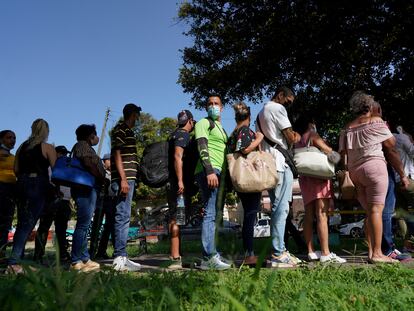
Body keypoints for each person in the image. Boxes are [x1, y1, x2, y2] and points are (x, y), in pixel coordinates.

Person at [338, 91, 409, 264]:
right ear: (369, 106)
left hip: (355, 172)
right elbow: (391, 145)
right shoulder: (376, 122)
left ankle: (371, 252)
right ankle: (378, 253)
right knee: (376, 211)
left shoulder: (347, 127)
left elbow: (342, 153)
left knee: (370, 213)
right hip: (374, 168)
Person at [256, 86, 302, 267]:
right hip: (280, 164)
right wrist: (297, 135)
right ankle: (278, 252)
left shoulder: (261, 113)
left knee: (277, 207)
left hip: (269, 165)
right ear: (281, 95)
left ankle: (280, 250)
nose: (288, 105)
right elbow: (291, 137)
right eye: (288, 101)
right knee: (281, 209)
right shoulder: (277, 108)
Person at [294, 116, 346, 263]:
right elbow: (330, 153)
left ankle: (310, 251)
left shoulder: (297, 139)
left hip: (305, 178)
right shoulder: (313, 135)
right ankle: (325, 253)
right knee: (322, 214)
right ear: (310, 124)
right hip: (320, 177)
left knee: (309, 216)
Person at [7, 119, 56, 274]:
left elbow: (16, 169)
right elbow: (56, 170)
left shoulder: (22, 147)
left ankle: (17, 260)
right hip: (38, 185)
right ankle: (14, 263)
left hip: (21, 184)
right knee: (27, 224)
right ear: (46, 131)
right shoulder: (47, 147)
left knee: (22, 223)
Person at [195, 95, 231, 270]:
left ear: (222, 108)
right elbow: (202, 145)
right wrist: (209, 171)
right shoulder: (203, 122)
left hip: (218, 172)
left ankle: (212, 253)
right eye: (210, 104)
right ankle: (208, 257)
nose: (213, 106)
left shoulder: (220, 127)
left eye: (216, 104)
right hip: (208, 171)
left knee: (215, 214)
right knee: (209, 213)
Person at [227, 102, 264, 265]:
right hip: (249, 178)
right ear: (249, 117)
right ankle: (250, 255)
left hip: (239, 178)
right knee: (250, 215)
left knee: (249, 215)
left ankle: (249, 252)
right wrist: (259, 139)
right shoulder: (244, 131)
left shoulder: (234, 132)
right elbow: (245, 150)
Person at [111, 103, 142, 271]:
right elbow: (116, 153)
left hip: (129, 179)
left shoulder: (128, 131)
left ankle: (122, 256)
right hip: (124, 179)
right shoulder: (120, 129)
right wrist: (123, 179)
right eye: (137, 115)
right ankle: (119, 257)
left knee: (124, 216)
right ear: (132, 115)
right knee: (122, 216)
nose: (138, 118)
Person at [70, 124, 105, 272]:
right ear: (89, 135)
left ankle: (84, 258)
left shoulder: (84, 146)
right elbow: (87, 162)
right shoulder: (82, 145)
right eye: (95, 134)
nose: (96, 137)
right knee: (83, 225)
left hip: (89, 188)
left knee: (85, 225)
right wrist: (100, 176)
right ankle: (76, 260)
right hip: (85, 188)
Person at [166, 109, 196, 269]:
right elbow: (178, 156)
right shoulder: (183, 135)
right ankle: (175, 257)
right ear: (190, 121)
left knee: (175, 217)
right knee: (177, 218)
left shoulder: (173, 134)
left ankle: (176, 254)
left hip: (172, 182)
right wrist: (180, 181)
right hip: (178, 183)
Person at [33, 145, 73, 264]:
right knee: (44, 228)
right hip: (51, 200)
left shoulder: (67, 167)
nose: (63, 156)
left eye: (65, 154)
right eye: (61, 153)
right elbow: (46, 182)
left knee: (61, 229)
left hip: (65, 201)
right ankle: (38, 255)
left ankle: (62, 255)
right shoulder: (49, 167)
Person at [392, 124, 414, 253]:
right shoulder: (403, 138)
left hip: (395, 182)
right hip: (407, 179)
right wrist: (409, 139)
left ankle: (407, 245)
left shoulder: (387, 141)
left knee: (401, 214)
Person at [92, 153, 117, 260]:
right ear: (104, 161)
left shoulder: (114, 174)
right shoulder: (100, 172)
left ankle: (101, 252)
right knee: (96, 227)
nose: (111, 163)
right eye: (109, 161)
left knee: (109, 227)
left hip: (112, 201)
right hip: (101, 200)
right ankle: (91, 252)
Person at [0, 130, 17, 259]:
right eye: (9, 137)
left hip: (11, 191)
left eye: (14, 138)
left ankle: (1, 253)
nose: (12, 140)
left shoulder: (13, 157)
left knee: (6, 224)